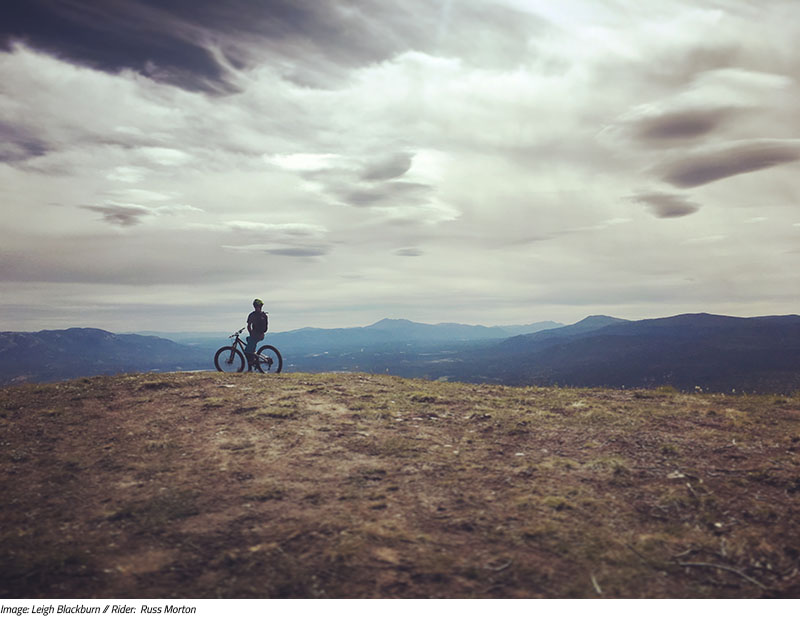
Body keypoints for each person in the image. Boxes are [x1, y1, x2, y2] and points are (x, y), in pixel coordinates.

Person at [245, 298, 269, 370]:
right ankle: (254, 357)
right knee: (248, 340)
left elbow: (249, 326)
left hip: (255, 335)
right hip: (262, 335)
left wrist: (251, 333)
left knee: (246, 351)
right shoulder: (264, 315)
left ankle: (250, 368)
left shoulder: (252, 315)